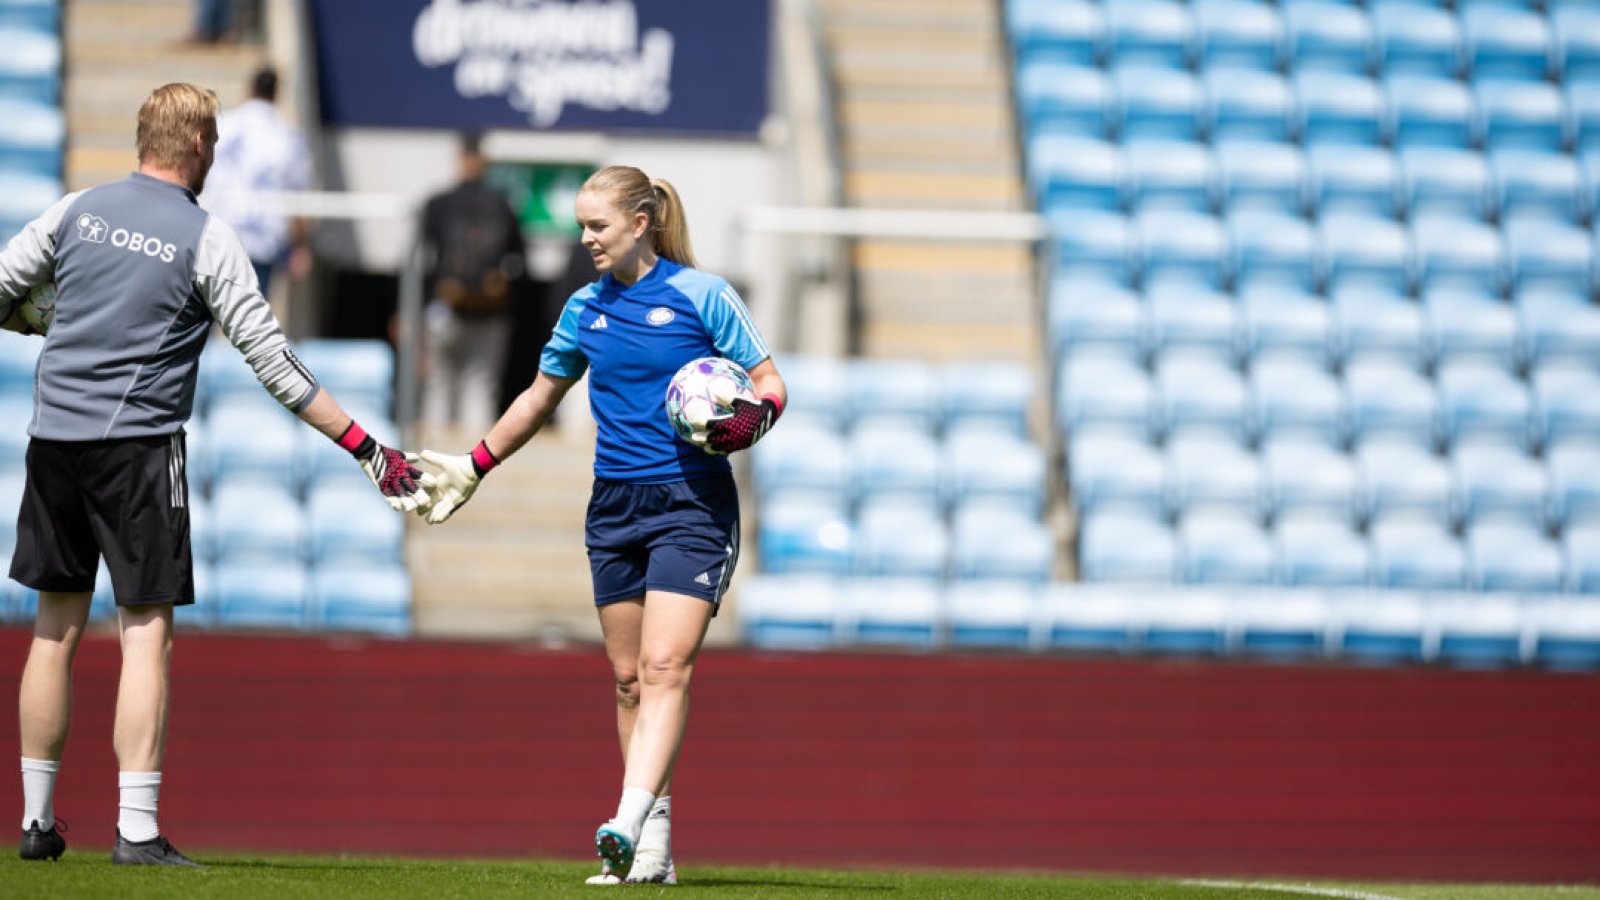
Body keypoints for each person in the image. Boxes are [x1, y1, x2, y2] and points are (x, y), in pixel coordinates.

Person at [3, 83, 430, 867]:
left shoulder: (73, 210)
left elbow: (5, 292)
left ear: (144, 138)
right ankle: (134, 831)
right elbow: (276, 364)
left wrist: (42, 320)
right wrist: (370, 448)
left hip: (51, 441)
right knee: (145, 635)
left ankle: (36, 823)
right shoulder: (207, 237)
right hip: (137, 452)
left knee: (53, 630)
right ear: (199, 146)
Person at [412, 165, 786, 885]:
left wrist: (748, 420)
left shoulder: (703, 296)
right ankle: (655, 848)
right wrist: (474, 463)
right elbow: (539, 395)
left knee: (664, 667)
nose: (585, 238)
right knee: (625, 680)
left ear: (640, 224)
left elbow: (768, 383)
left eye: (597, 226)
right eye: (583, 225)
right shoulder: (584, 307)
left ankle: (626, 818)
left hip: (693, 504)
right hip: (614, 507)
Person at [418, 133, 527, 432]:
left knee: (476, 388)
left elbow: (518, 261)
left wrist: (501, 283)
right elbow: (422, 261)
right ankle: (438, 463)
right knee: (441, 386)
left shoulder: (500, 205)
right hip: (445, 309)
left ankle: (469, 465)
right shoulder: (440, 204)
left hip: (486, 312)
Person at [201, 66, 313, 299]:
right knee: (250, 330)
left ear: (249, 89)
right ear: (277, 93)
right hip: (261, 240)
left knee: (199, 326)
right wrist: (301, 245)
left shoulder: (222, 125)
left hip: (215, 234)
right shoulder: (288, 136)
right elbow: (296, 196)